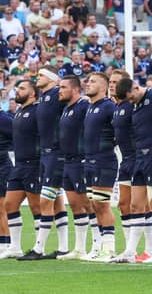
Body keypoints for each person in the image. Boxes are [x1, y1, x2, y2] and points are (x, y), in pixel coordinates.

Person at [113, 82, 152, 264]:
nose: (131, 102)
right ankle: (130, 251)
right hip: (139, 158)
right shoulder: (135, 103)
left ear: (136, 88)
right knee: (136, 206)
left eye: (131, 97)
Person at [19, 66, 70, 260]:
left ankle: (39, 248)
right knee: (56, 201)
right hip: (46, 154)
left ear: (51, 78)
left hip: (56, 154)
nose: (37, 78)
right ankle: (64, 247)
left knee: (45, 201)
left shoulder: (58, 93)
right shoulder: (44, 97)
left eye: (40, 75)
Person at [0, 81, 40, 259]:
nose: (18, 91)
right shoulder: (18, 113)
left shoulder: (35, 112)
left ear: (32, 94)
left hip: (30, 164)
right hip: (19, 165)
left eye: (22, 88)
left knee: (35, 206)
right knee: (9, 205)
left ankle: (39, 246)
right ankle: (13, 247)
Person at [82, 73, 119, 261]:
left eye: (93, 82)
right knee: (93, 205)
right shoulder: (90, 107)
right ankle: (98, 246)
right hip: (89, 162)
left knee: (102, 205)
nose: (88, 84)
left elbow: (121, 128)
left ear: (103, 87)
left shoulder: (109, 107)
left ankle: (109, 248)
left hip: (104, 161)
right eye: (88, 81)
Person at [53, 76, 90, 261]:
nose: (59, 90)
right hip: (67, 161)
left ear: (75, 90)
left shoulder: (84, 106)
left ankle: (99, 246)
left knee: (87, 203)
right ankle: (80, 248)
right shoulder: (67, 108)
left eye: (63, 87)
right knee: (75, 205)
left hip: (81, 161)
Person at [109, 71, 135, 246]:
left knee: (144, 205)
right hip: (125, 160)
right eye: (110, 81)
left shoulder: (133, 106)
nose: (112, 85)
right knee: (123, 205)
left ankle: (150, 248)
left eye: (116, 82)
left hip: (139, 159)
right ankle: (129, 248)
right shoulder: (116, 107)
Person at [0, 109, 13, 252]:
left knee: (1, 207)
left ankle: (6, 244)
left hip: (2, 167)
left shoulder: (4, 118)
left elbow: (19, 136)